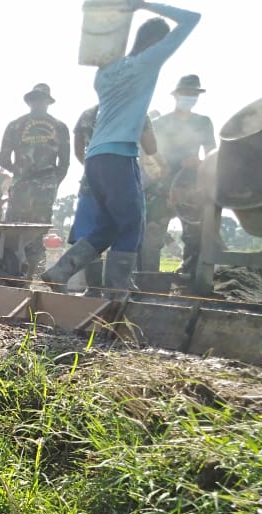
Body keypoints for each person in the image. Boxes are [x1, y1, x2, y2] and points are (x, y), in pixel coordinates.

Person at [43, 2, 201, 298]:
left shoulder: (104, 73)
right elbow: (193, 18)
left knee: (107, 226)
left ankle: (60, 271)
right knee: (132, 224)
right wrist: (143, 4)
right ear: (154, 42)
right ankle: (117, 293)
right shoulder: (147, 63)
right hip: (119, 157)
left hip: (95, 160)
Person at [67, 105, 158, 294]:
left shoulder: (88, 113)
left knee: (90, 231)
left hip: (92, 181)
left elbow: (78, 150)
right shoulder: (136, 109)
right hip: (125, 180)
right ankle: (117, 287)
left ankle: (89, 287)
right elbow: (151, 147)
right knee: (128, 229)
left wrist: (95, 168)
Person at [144, 74, 216, 276]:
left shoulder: (203, 123)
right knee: (153, 233)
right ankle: (149, 279)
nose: (190, 97)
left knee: (195, 235)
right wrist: (174, 165)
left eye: (194, 94)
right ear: (176, 95)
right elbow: (151, 155)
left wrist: (199, 163)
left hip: (191, 188)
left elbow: (212, 155)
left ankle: (190, 276)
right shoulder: (160, 123)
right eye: (186, 93)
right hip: (162, 187)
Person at [0, 83, 71, 279]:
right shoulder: (59, 127)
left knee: (17, 234)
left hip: (25, 189)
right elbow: (64, 165)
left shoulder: (16, 125)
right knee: (30, 236)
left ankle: (18, 278)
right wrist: (50, 183)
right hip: (38, 191)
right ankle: (24, 278)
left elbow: (3, 159)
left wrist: (22, 174)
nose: (38, 103)